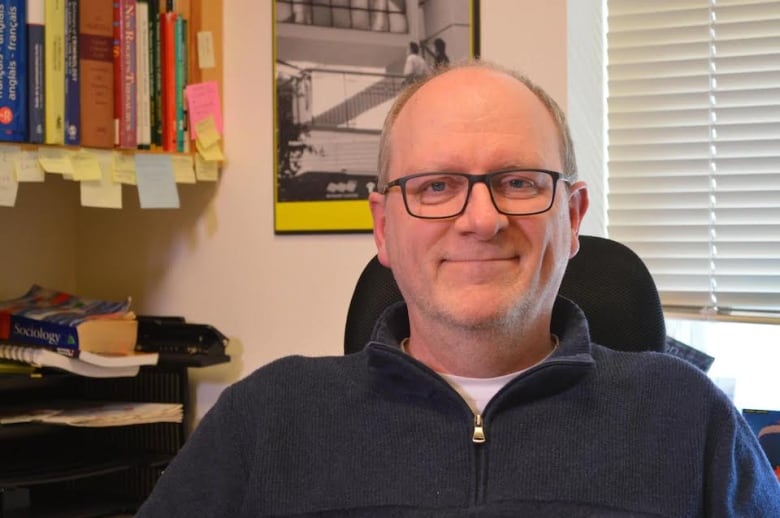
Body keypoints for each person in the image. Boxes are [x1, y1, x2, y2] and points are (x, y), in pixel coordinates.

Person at [136, 61, 780, 516]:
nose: (480, 219)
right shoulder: (266, 420)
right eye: (435, 186)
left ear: (573, 216)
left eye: (520, 181)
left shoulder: (690, 421)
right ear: (383, 228)